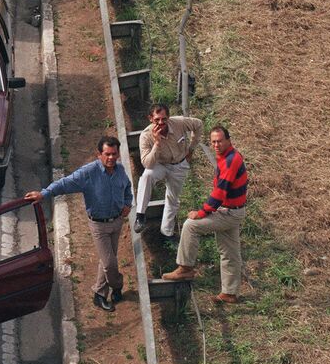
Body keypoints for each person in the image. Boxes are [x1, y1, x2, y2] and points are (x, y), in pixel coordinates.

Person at [26, 136, 132, 312]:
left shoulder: (120, 170)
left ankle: (99, 295)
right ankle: (118, 285)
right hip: (99, 225)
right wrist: (44, 194)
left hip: (117, 221)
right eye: (107, 154)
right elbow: (65, 183)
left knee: (108, 259)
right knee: (109, 264)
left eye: (114, 154)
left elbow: (127, 188)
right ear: (99, 154)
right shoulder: (88, 173)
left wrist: (127, 203)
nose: (111, 158)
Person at [163, 125, 247, 304]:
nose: (216, 145)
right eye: (213, 141)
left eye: (220, 141)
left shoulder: (231, 160)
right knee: (230, 252)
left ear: (228, 140)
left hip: (229, 212)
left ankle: (185, 267)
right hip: (233, 210)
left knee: (190, 226)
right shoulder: (227, 157)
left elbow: (220, 192)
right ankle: (230, 293)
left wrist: (201, 212)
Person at [134, 104, 203, 239]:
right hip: (160, 164)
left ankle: (167, 232)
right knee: (147, 176)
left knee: (173, 198)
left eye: (164, 119)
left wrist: (191, 148)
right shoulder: (145, 136)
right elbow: (147, 163)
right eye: (157, 120)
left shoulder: (179, 123)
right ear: (150, 119)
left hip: (179, 164)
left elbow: (199, 124)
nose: (161, 123)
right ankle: (140, 216)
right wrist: (157, 143)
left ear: (169, 117)